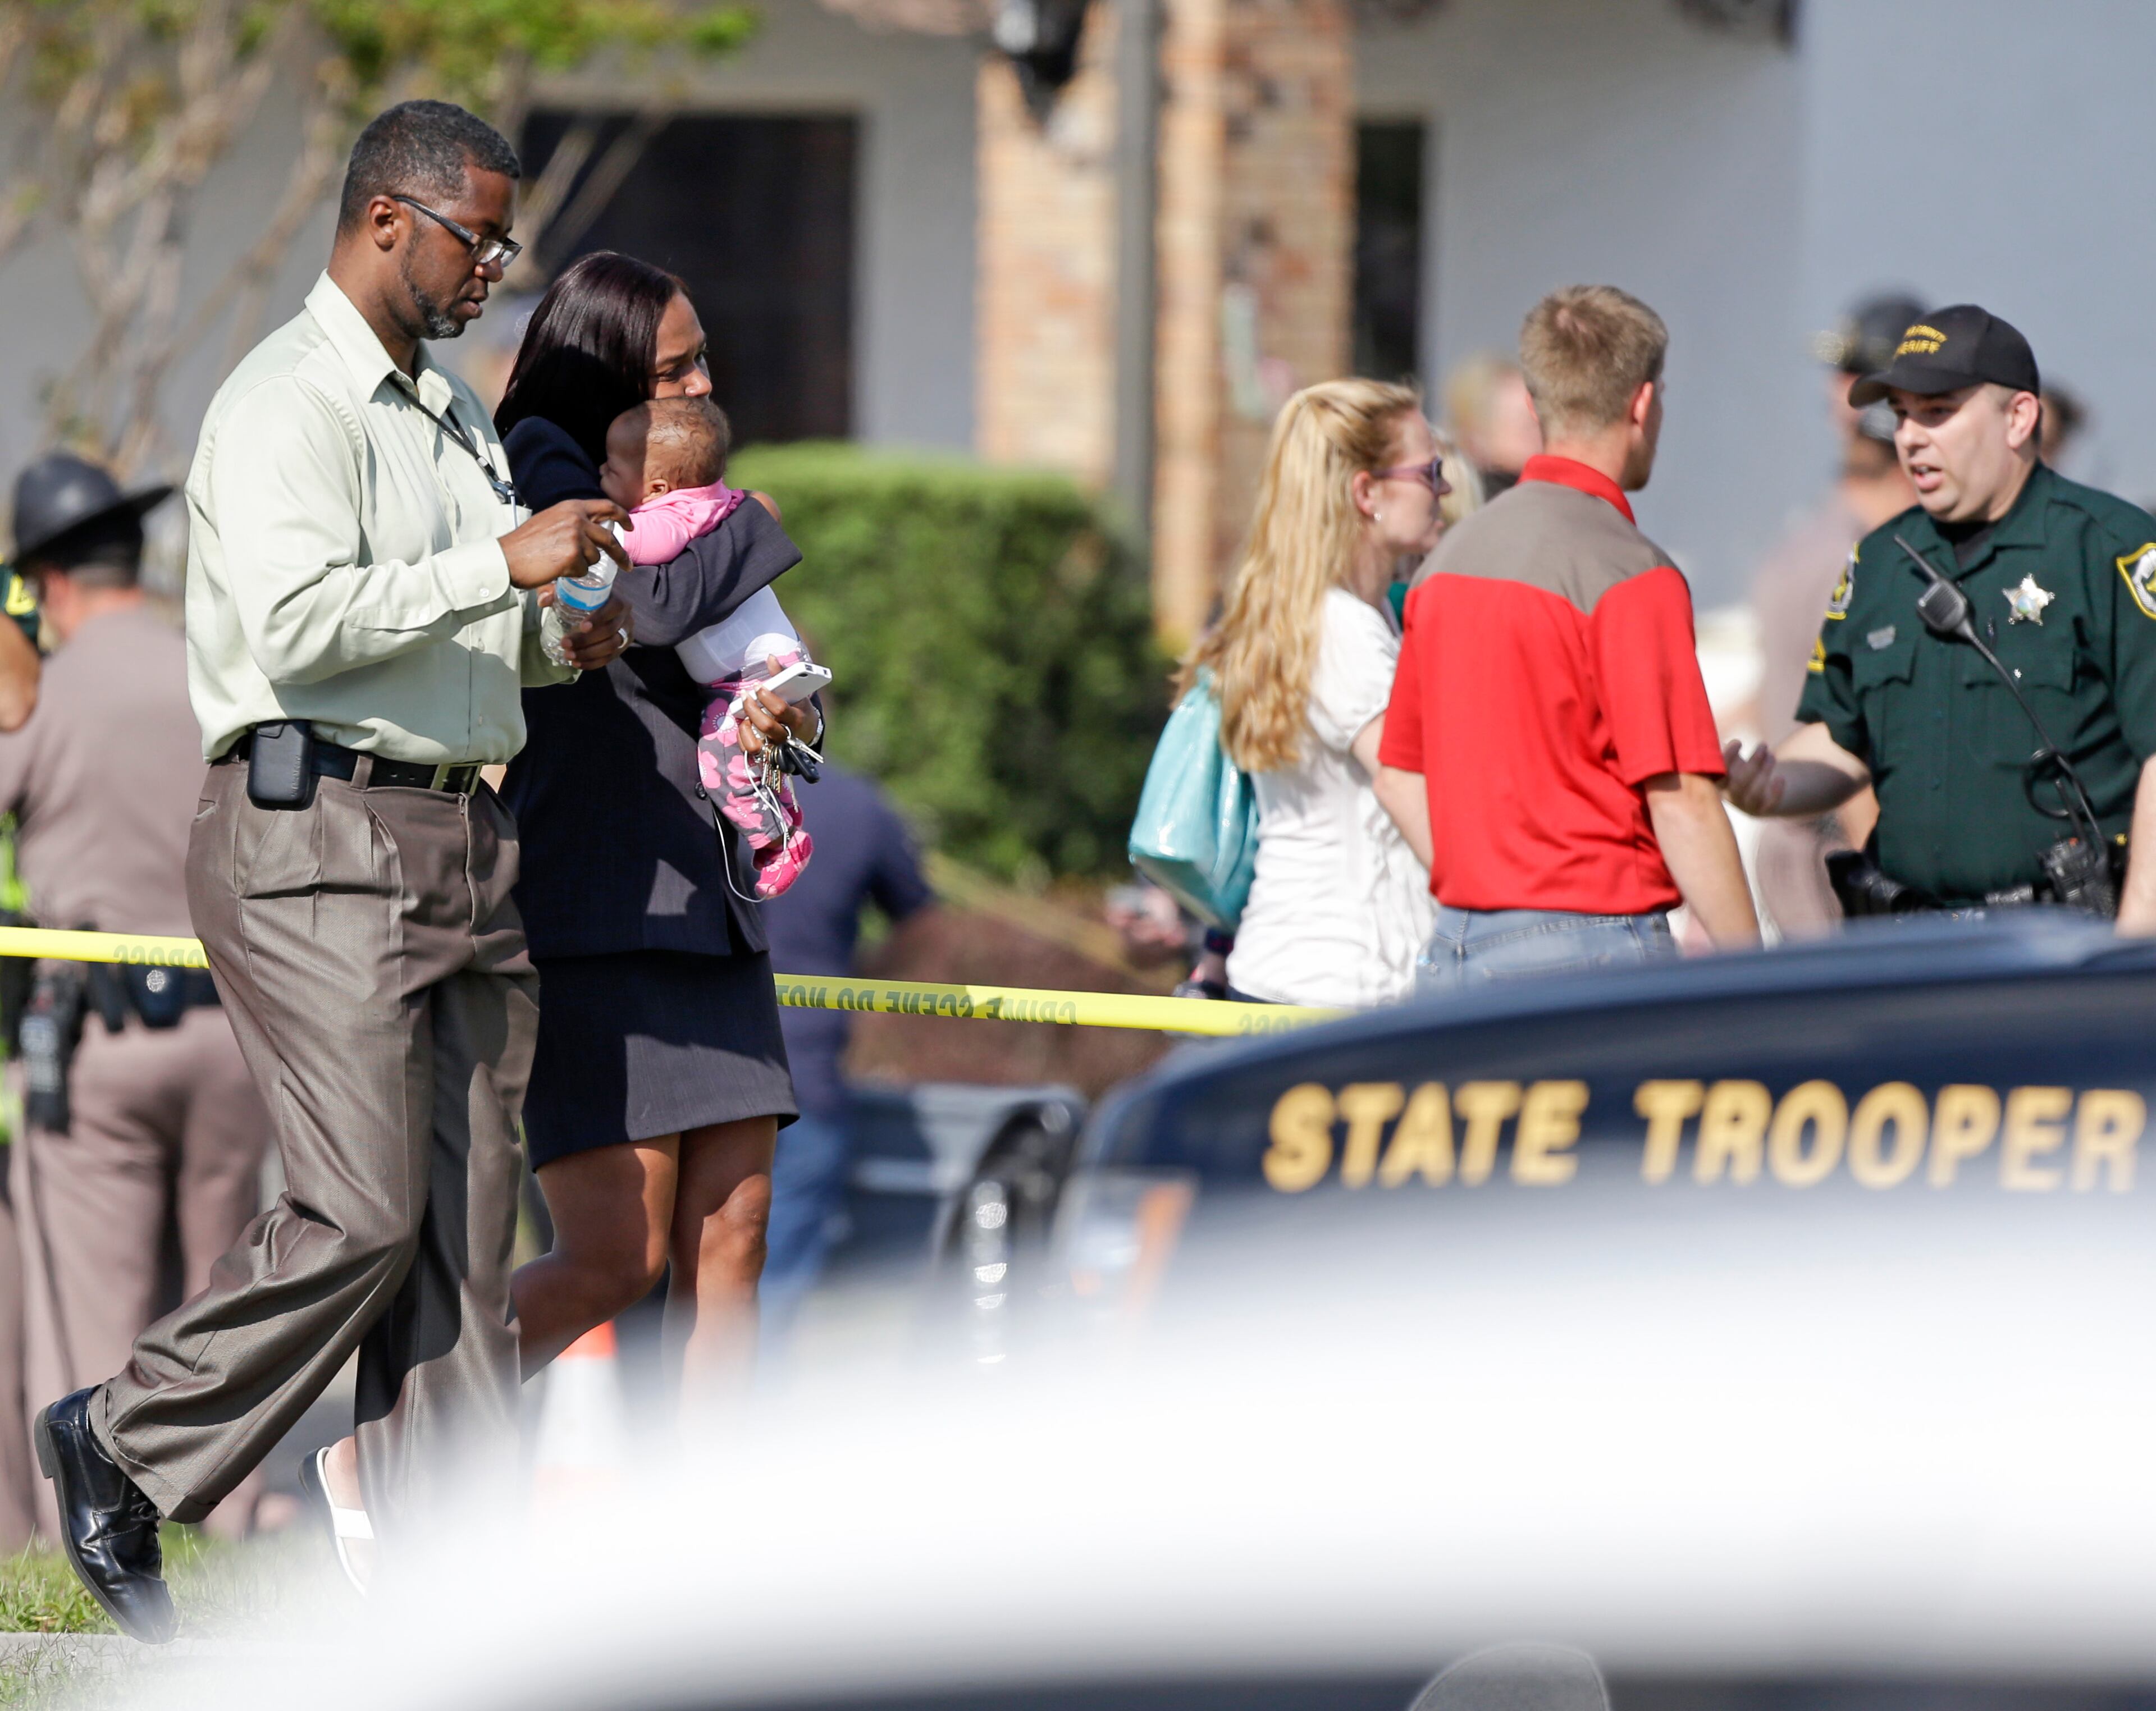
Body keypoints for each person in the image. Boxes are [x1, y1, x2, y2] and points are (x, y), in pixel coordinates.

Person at [34, 99, 635, 1643]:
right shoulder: (281, 400)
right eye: (480, 233)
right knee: (361, 1210)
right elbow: (302, 626)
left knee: (459, 1239)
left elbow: (453, 633)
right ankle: (119, 1443)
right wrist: (494, 567)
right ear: (387, 220)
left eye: (504, 238)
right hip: (314, 837)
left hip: (454, 831)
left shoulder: (449, 408)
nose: (499, 262)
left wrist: (556, 632)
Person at [495, 253, 812, 1403]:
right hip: (604, 894)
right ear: (611, 372)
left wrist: (790, 708)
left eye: (702, 363)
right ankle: (386, 1440)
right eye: (674, 368)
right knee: (612, 1258)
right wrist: (753, 523)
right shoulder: (543, 461)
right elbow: (650, 604)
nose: (701, 389)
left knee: (739, 1232)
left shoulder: (690, 498)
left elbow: (768, 651)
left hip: (710, 890)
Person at [0, 453, 273, 1547]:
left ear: (48, 583)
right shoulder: (217, 669)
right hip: (236, 1028)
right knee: (229, 1292)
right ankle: (232, 1514)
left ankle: (96, 1536)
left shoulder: (43, 689)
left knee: (92, 1311)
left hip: (97, 1038)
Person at [1375, 285, 1760, 986]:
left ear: (1536, 401)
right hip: (1591, 949)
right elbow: (1681, 802)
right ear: (1643, 404)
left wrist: (1491, 887)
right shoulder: (1629, 573)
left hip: (1457, 946)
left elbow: (1400, 772)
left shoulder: (1445, 565)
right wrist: (1751, 977)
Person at [1726, 304, 2156, 930]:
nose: (1910, 437)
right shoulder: (1877, 563)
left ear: (2018, 418)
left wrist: (2137, 935)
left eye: (1937, 413)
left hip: (2061, 948)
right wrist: (1770, 781)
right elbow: (1844, 736)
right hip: (1909, 947)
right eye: (1901, 415)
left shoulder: (2110, 547)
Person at [1181, 379, 1441, 1009]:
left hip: (1296, 974)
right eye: (1430, 471)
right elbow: (1415, 791)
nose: (1446, 487)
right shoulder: (1344, 631)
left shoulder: (1337, 613)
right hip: (1338, 987)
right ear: (1366, 492)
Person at [1748, 293, 1921, 936]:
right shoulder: (1835, 541)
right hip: (1822, 854)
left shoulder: (1878, 538)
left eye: (1858, 375)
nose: (1838, 393)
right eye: (1840, 374)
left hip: (1843, 854)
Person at [596, 395, 813, 898]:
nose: (601, 473)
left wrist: (573, 525)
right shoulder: (719, 500)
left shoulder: (670, 517)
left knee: (722, 761)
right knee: (738, 754)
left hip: (751, 672)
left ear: (654, 487)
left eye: (609, 467)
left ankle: (780, 841)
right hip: (758, 665)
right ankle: (780, 828)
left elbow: (629, 541)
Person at [759, 761, 932, 1332]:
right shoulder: (861, 806)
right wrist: (867, 979)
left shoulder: (691, 786)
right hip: (808, 1075)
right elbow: (922, 923)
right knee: (769, 1289)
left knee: (680, 1284)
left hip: (697, 1074)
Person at [1442, 353, 1542, 498]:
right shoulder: (1502, 506)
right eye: (1529, 428)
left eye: (1544, 421)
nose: (1545, 436)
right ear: (1476, 439)